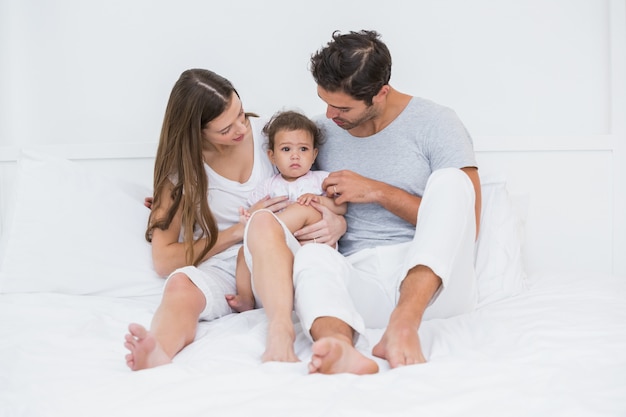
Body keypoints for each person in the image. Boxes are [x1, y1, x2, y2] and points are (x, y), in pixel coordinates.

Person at [244, 30, 482, 375]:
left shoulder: (437, 123)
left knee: (452, 182)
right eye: (324, 101)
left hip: (433, 287)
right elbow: (292, 189)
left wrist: (377, 191)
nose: (329, 114)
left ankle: (403, 326)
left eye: (342, 107)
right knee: (312, 257)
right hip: (358, 277)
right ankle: (337, 347)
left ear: (380, 94)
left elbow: (468, 223)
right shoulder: (321, 131)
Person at [123, 69, 345, 369]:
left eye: (241, 113)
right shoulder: (180, 175)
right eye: (226, 129)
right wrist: (238, 231)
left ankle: (281, 329)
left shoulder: (274, 135)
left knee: (265, 226)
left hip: (279, 252)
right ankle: (158, 348)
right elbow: (163, 260)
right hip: (228, 267)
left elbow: (321, 191)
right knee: (179, 285)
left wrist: (337, 221)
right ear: (197, 131)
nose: (241, 128)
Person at [226, 110, 347, 313]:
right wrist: (248, 218)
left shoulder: (321, 179)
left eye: (303, 149)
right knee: (242, 252)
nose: (295, 156)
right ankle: (246, 298)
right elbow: (254, 212)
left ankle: (268, 230)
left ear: (314, 154)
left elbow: (341, 206)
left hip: (313, 245)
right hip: (280, 249)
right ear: (272, 156)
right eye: (286, 149)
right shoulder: (267, 187)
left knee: (303, 207)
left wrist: (320, 200)